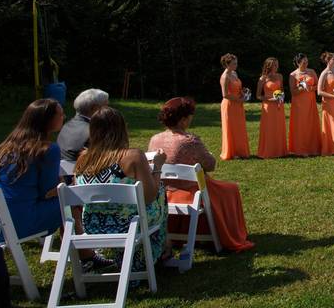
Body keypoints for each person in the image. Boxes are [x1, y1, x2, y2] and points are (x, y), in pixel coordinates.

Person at [148, 97, 254, 253]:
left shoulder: (154, 139)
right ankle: (225, 233)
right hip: (190, 192)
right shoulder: (189, 142)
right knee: (231, 189)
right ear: (183, 120)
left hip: (164, 193)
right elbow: (210, 165)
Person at [74, 107, 170, 271]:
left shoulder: (83, 158)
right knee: (160, 191)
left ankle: (143, 257)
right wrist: (158, 167)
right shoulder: (133, 156)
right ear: (121, 128)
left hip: (93, 226)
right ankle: (156, 253)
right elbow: (149, 196)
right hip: (131, 225)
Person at [0, 99, 65, 239]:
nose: (64, 117)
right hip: (22, 222)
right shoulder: (48, 150)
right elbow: (47, 191)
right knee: (71, 201)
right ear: (48, 120)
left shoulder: (4, 148)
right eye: (60, 114)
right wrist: (63, 184)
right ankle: (83, 253)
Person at [57, 88, 109, 162]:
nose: (109, 110)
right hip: (81, 171)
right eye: (106, 106)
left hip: (62, 170)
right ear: (95, 108)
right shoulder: (94, 131)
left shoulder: (67, 125)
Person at [288, 53, 321, 156]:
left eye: (307, 62)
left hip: (310, 101)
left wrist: (310, 88)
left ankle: (313, 148)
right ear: (298, 63)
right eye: (303, 62)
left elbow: (318, 85)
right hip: (299, 104)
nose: (306, 64)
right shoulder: (293, 75)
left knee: (311, 124)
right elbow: (293, 92)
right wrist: (302, 87)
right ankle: (300, 149)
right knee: (301, 125)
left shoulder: (311, 72)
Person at [219, 53, 250, 160]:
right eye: (233, 63)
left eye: (236, 63)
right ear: (227, 64)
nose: (236, 65)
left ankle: (240, 151)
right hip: (229, 105)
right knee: (231, 128)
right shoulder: (225, 76)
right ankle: (232, 152)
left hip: (238, 104)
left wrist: (243, 92)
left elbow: (237, 88)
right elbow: (225, 94)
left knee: (239, 127)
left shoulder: (234, 73)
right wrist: (239, 99)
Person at [256, 57, 287, 159]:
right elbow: (258, 95)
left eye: (277, 65)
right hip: (268, 107)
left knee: (278, 127)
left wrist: (281, 97)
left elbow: (282, 90)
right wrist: (270, 99)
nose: (276, 67)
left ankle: (279, 150)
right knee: (269, 128)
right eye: (274, 65)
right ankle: (269, 151)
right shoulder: (263, 79)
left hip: (278, 106)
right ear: (269, 66)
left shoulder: (280, 76)